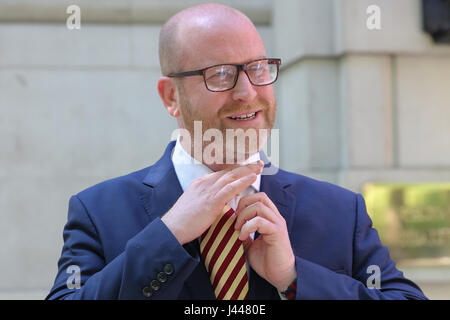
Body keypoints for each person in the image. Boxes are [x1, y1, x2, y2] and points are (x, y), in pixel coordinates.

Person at [46, 3, 427, 300]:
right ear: (170, 96)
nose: (248, 92)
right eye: (221, 74)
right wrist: (168, 236)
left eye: (258, 68)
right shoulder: (97, 212)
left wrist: (295, 278)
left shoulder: (342, 212)